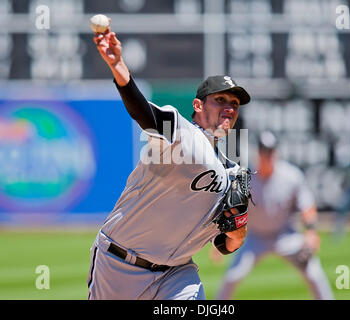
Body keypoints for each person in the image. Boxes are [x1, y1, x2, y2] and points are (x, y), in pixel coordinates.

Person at [87, 27, 251, 300]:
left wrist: (240, 230)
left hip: (177, 274)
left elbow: (226, 245)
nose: (230, 107)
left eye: (234, 103)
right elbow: (144, 113)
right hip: (119, 263)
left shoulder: (235, 174)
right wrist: (118, 66)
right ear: (198, 106)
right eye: (220, 99)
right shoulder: (179, 132)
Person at [214, 131, 334, 300]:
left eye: (270, 151)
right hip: (254, 237)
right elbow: (230, 210)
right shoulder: (245, 177)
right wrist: (222, 239)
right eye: (264, 151)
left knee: (314, 274)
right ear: (258, 153)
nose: (267, 155)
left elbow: (307, 206)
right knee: (233, 277)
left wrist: (311, 232)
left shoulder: (291, 176)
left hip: (284, 234)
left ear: (276, 153)